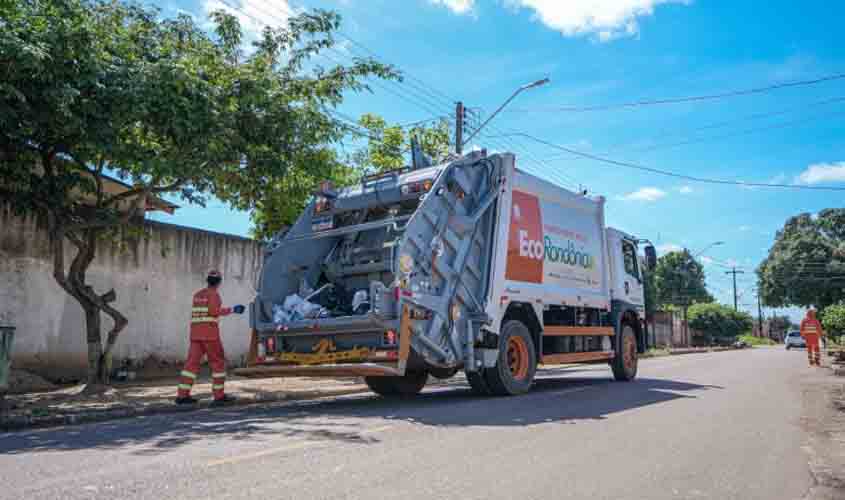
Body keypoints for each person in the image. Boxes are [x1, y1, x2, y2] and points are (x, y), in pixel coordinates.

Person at [176, 270, 245, 406]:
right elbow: (213, 312)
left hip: (196, 335)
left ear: (207, 280)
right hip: (210, 336)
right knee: (218, 363)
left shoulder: (197, 295)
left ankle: (182, 396)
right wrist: (233, 310)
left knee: (191, 365)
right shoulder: (214, 295)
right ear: (219, 282)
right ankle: (219, 396)